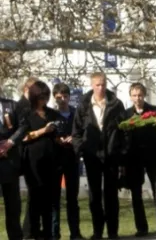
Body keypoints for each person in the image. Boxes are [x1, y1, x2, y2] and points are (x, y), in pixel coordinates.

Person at [72, 72, 127, 239]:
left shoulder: (116, 104)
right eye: (97, 85)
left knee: (111, 195)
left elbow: (124, 130)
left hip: (111, 155)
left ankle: (112, 231)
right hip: (92, 156)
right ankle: (97, 231)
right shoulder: (83, 105)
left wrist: (121, 151)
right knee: (94, 196)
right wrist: (81, 149)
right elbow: (77, 132)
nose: (101, 88)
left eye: (103, 84)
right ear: (92, 85)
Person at [125, 83, 156, 236]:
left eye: (140, 95)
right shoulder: (126, 114)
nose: (137, 98)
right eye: (134, 95)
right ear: (130, 96)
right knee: (136, 195)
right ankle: (141, 228)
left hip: (152, 157)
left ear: (144, 95)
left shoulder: (155, 111)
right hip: (134, 159)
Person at [22, 81, 66, 239]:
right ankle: (32, 232)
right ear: (34, 97)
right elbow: (24, 137)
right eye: (41, 97)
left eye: (46, 97)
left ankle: (48, 234)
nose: (44, 101)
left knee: (49, 201)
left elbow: (59, 132)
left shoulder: (52, 114)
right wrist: (43, 130)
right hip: (33, 162)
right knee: (35, 198)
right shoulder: (27, 114)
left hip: (51, 161)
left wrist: (61, 138)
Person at [51, 83, 83, 240]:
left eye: (65, 96)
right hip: (55, 160)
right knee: (54, 198)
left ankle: (75, 233)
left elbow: (83, 133)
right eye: (59, 97)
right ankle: (54, 233)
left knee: (72, 198)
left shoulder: (76, 114)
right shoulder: (51, 114)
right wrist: (57, 139)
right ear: (54, 97)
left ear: (69, 97)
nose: (62, 100)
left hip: (72, 158)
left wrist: (74, 138)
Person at [0, 90, 28, 240]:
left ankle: (15, 237)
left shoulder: (11, 105)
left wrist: (10, 143)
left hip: (9, 162)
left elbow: (23, 127)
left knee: (13, 206)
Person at [18, 76, 38, 239]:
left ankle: (30, 229)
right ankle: (27, 230)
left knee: (35, 193)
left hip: (32, 154)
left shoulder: (30, 106)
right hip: (24, 154)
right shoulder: (22, 107)